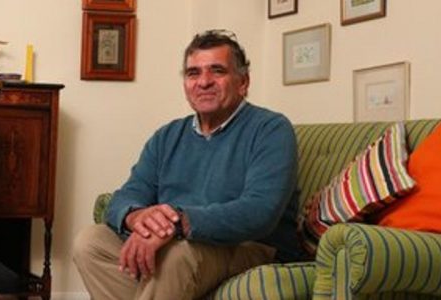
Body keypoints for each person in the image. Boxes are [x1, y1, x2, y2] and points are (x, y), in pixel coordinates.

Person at [72, 30, 303, 300]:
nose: (203, 82)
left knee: (175, 256)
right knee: (90, 243)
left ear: (243, 82)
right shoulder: (167, 136)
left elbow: (259, 211)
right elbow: (129, 193)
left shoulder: (270, 129)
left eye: (217, 71)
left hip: (249, 246)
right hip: (180, 242)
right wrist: (137, 217)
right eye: (193, 73)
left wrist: (176, 224)